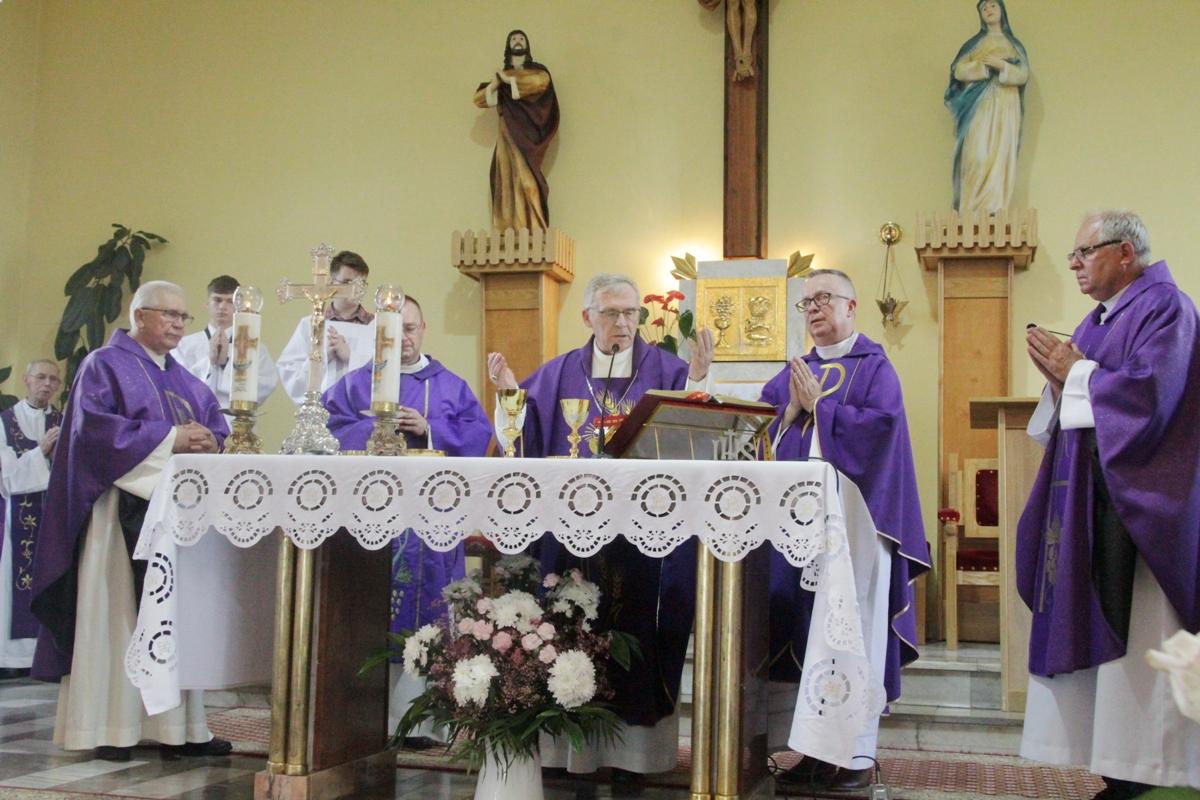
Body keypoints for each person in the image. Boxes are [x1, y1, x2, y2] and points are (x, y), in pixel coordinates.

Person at [486, 273, 715, 777]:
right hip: (571, 535)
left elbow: (696, 436)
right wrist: (510, 401)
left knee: (639, 633)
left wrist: (698, 383)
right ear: (588, 317)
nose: (623, 323)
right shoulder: (557, 374)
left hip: (646, 537)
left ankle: (635, 756)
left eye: (631, 313)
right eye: (611, 313)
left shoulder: (670, 371)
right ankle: (564, 750)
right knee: (566, 628)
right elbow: (522, 445)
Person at [1019, 210, 1200, 798]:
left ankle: (1153, 773)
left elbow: (1152, 398)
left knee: (1143, 643)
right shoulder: (1098, 320)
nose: (1074, 263)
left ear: (1125, 253)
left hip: (1142, 513)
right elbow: (1079, 401)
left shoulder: (1165, 308)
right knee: (1107, 662)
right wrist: (1061, 382)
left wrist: (1077, 375)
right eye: (1073, 254)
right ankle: (1118, 770)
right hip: (1092, 507)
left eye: (1085, 252)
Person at [29, 281, 232, 762]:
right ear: (140, 315)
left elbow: (214, 425)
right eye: (170, 315)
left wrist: (211, 439)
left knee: (177, 618)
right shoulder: (103, 364)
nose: (180, 325)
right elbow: (93, 433)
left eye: (183, 317)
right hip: (116, 516)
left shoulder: (183, 377)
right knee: (116, 616)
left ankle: (180, 729)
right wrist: (172, 438)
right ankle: (109, 727)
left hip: (175, 518)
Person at [758, 269, 929, 791]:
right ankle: (813, 752)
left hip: (858, 530)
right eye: (806, 302)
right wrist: (790, 411)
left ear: (852, 307)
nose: (813, 308)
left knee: (851, 636)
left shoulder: (876, 368)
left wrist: (821, 408)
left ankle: (854, 757)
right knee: (808, 636)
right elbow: (754, 434)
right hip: (795, 531)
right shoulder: (793, 372)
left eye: (824, 298)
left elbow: (882, 433)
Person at [322, 295, 492, 737]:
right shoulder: (357, 384)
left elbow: (480, 435)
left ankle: (423, 722)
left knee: (431, 609)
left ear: (424, 328)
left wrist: (430, 429)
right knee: (369, 612)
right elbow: (326, 429)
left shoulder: (450, 386)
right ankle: (366, 720)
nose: (404, 339)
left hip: (434, 522)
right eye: (394, 333)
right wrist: (377, 427)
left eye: (411, 329)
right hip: (371, 521)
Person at [0, 360, 62, 675]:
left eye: (53, 379)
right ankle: (13, 661)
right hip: (16, 519)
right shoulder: (5, 422)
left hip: (54, 519)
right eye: (40, 377)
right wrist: (41, 452)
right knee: (12, 583)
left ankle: (47, 656)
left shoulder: (64, 421)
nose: (47, 384)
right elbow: (8, 477)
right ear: (26, 380)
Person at [944, 0, 1029, 215]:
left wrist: (1002, 66)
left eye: (993, 6)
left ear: (1002, 11)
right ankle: (970, 210)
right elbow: (958, 71)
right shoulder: (975, 44)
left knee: (1000, 155)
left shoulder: (1014, 45)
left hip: (1006, 105)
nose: (989, 10)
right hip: (979, 104)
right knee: (977, 154)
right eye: (984, 8)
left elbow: (1022, 75)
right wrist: (983, 66)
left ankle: (994, 210)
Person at [473, 29, 560, 232]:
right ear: (508, 45)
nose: (518, 41)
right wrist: (496, 83)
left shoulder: (536, 71)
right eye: (514, 39)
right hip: (507, 133)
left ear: (526, 44)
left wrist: (510, 80)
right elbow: (478, 99)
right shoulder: (501, 78)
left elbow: (541, 82)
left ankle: (534, 227)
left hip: (527, 135)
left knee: (528, 182)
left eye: (521, 38)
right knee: (505, 181)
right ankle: (508, 229)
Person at [276, 250, 375, 404]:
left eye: (360, 283)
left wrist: (351, 357)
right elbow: (289, 372)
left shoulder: (376, 327)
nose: (354, 289)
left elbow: (387, 374)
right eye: (347, 282)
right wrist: (322, 356)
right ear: (331, 282)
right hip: (318, 411)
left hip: (360, 412)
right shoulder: (310, 325)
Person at [172, 274, 278, 408]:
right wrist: (210, 363)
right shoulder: (183, 345)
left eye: (229, 301)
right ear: (207, 304)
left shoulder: (255, 348)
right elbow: (176, 383)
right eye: (217, 300)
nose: (222, 306)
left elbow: (266, 383)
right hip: (195, 416)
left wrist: (225, 365)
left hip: (235, 417)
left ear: (238, 306)